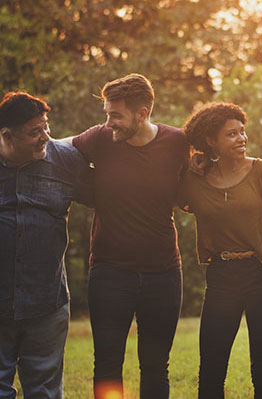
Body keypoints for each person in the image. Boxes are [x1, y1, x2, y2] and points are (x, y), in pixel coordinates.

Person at [70, 73, 188, 399]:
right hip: (110, 273)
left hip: (163, 274)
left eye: (115, 115)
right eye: (107, 114)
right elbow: (58, 149)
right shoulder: (100, 139)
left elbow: (198, 184)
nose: (109, 123)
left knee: (155, 365)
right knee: (107, 363)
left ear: (142, 113)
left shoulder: (177, 142)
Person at [179, 102, 262, 398]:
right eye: (231, 134)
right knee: (211, 367)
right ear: (210, 141)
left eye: (242, 132)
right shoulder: (193, 179)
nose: (241, 138)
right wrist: (191, 160)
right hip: (221, 275)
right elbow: (165, 162)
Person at [0, 92, 92, 398]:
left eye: (46, 127)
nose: (45, 137)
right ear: (7, 136)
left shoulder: (65, 161)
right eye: (34, 132)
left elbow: (111, 192)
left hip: (46, 303)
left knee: (45, 392)